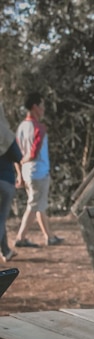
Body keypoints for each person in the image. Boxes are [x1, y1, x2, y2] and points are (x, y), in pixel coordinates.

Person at [14, 92, 63, 248]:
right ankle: (20, 238)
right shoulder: (38, 128)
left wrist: (19, 173)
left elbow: (16, 153)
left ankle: (49, 236)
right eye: (42, 106)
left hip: (27, 172)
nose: (43, 109)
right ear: (35, 107)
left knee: (39, 205)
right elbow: (33, 153)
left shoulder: (21, 127)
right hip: (39, 172)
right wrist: (24, 160)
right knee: (34, 205)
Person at [0, 103, 22, 262]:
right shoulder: (5, 134)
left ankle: (6, 250)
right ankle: (5, 250)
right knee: (1, 219)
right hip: (5, 181)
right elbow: (18, 156)